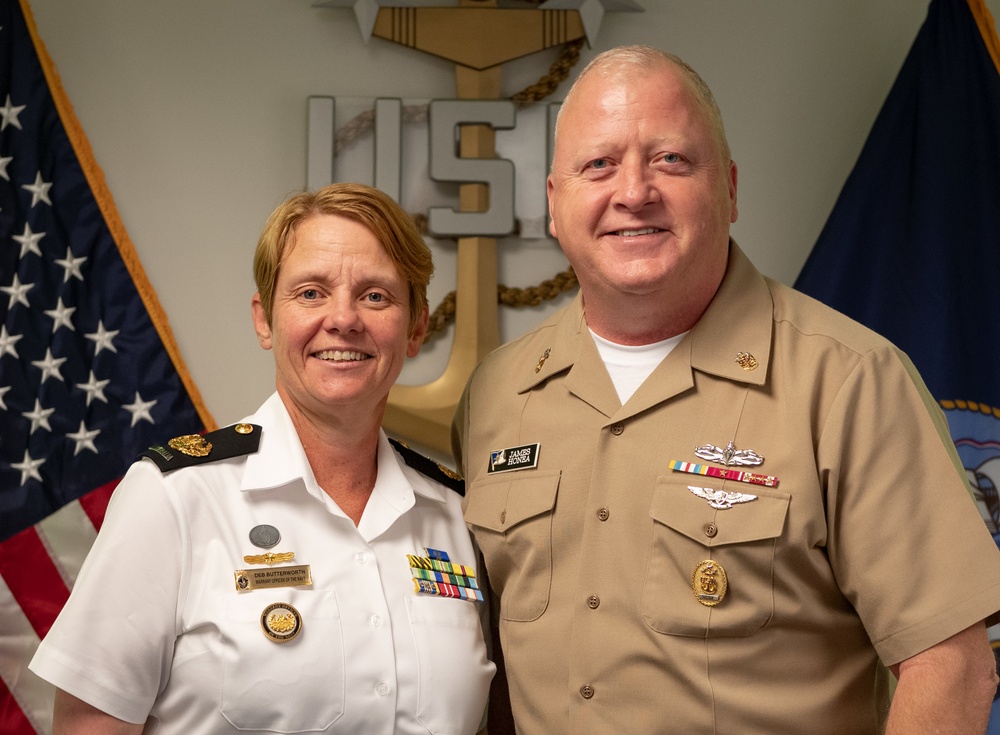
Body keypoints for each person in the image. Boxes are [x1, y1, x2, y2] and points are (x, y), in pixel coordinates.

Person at [452, 45, 1000, 734]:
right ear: (556, 205)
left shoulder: (850, 383)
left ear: (731, 188)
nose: (634, 191)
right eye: (598, 164)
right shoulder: (498, 395)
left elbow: (950, 667)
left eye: (671, 160)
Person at [31, 182, 495, 734]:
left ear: (416, 326)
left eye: (376, 295)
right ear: (264, 320)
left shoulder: (458, 515)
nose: (343, 318)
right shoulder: (175, 497)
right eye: (311, 293)